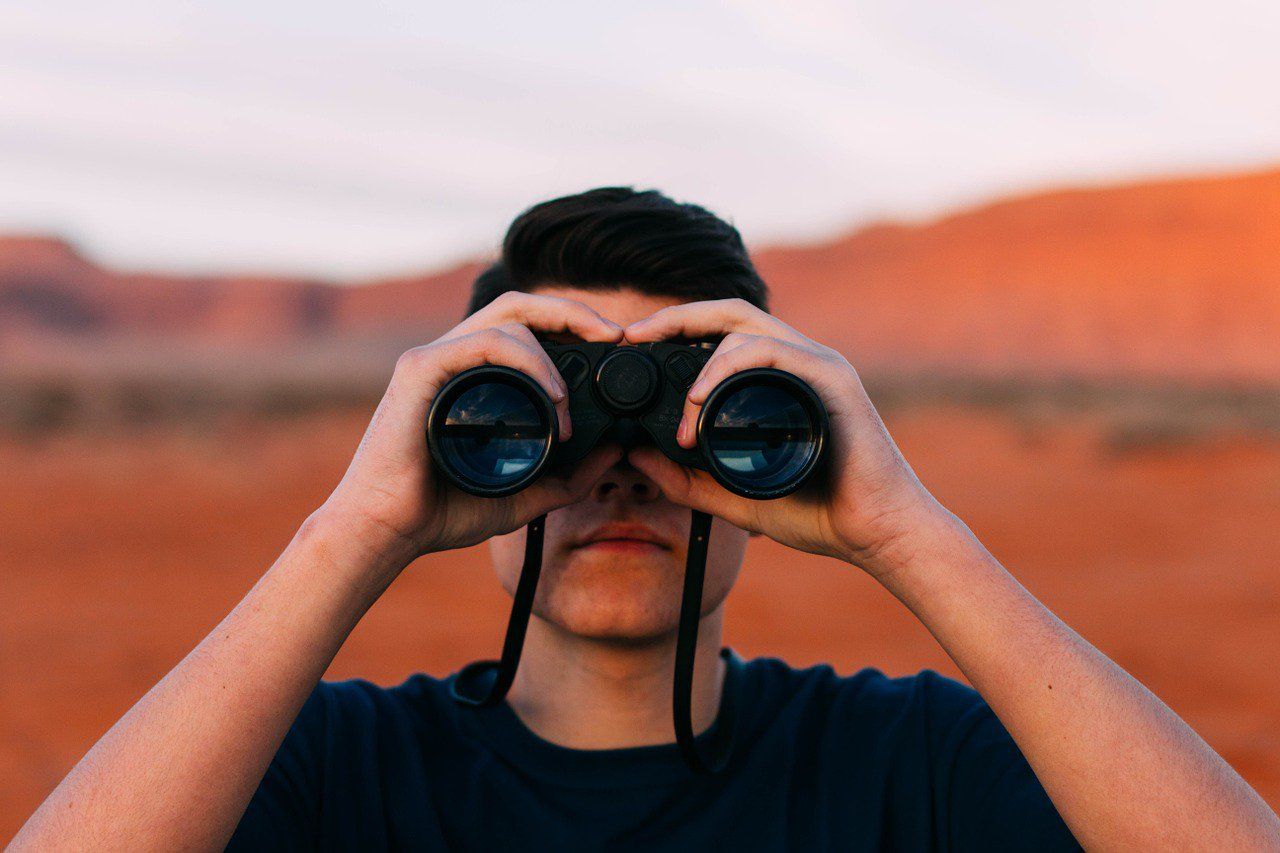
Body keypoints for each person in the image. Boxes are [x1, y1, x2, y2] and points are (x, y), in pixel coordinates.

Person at [14, 188, 1279, 852]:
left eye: (695, 422)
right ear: (441, 430)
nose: (619, 470)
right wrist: (353, 527)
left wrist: (910, 531)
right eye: (545, 421)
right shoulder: (331, 767)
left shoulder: (912, 762)